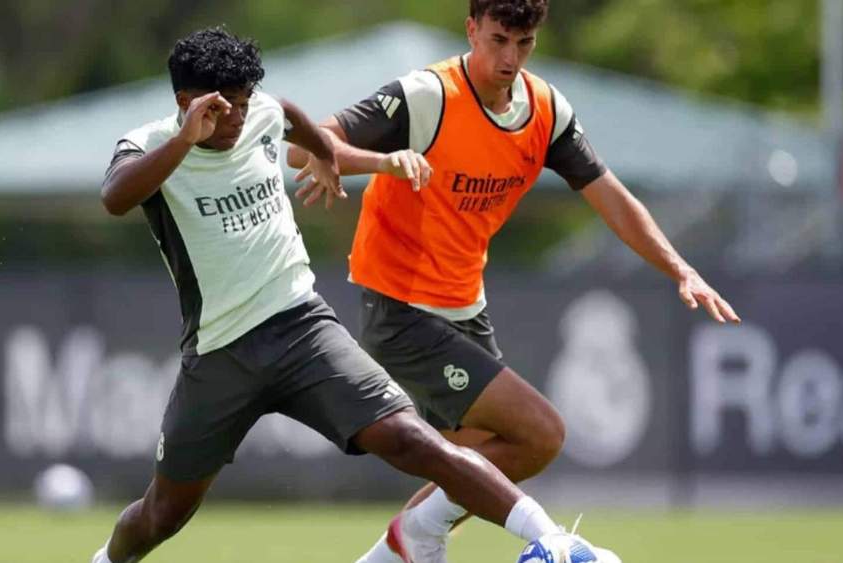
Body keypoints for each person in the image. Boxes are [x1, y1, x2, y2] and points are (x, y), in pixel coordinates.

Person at [91, 26, 619, 563]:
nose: (239, 119)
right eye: (225, 108)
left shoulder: (262, 114)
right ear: (186, 102)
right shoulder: (150, 146)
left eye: (246, 104)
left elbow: (291, 116)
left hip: (302, 327)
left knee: (414, 440)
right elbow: (114, 198)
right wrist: (185, 139)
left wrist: (324, 152)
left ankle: (552, 540)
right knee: (163, 515)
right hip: (220, 352)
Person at [287, 1, 740, 562]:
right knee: (540, 433)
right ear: (471, 29)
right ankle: (521, 541)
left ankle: (396, 551)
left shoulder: (546, 111)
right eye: (498, 40)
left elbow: (612, 198)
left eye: (523, 44)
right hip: (400, 307)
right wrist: (378, 162)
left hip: (464, 307)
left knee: (480, 465)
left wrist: (681, 268)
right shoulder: (427, 96)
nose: (509, 58)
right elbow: (306, 144)